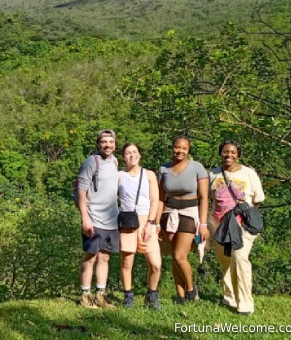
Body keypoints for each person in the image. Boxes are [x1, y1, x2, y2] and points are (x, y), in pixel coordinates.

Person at [208, 140, 265, 316]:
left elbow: (257, 199)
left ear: (238, 154)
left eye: (233, 152)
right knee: (225, 261)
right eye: (225, 152)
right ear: (220, 153)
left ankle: (245, 304)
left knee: (240, 258)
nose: (229, 155)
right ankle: (229, 297)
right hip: (218, 224)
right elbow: (210, 198)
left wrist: (243, 215)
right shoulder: (213, 174)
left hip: (242, 225)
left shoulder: (249, 173)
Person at [155, 135, 210, 304]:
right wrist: (156, 223)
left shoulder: (197, 168)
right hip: (169, 212)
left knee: (180, 256)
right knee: (173, 255)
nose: (180, 151)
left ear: (188, 150)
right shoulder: (164, 169)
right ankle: (180, 295)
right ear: (173, 148)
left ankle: (191, 289)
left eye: (184, 148)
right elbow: (160, 198)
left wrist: (203, 224)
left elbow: (204, 197)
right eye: (177, 147)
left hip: (189, 212)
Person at [76, 129, 119, 309]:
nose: (107, 145)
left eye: (111, 142)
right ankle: (85, 295)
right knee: (90, 257)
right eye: (104, 142)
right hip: (94, 217)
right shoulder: (91, 162)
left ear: (115, 144)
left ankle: (100, 294)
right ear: (98, 144)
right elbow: (81, 191)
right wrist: (85, 218)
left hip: (111, 219)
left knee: (105, 258)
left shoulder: (114, 161)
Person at [118, 143, 162, 310]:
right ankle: (128, 295)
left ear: (140, 155)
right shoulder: (119, 176)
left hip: (146, 222)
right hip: (128, 222)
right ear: (123, 157)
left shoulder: (149, 174)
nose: (132, 155)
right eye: (128, 153)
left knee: (155, 264)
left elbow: (155, 200)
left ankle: (152, 294)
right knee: (127, 263)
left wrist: (151, 223)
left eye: (135, 152)